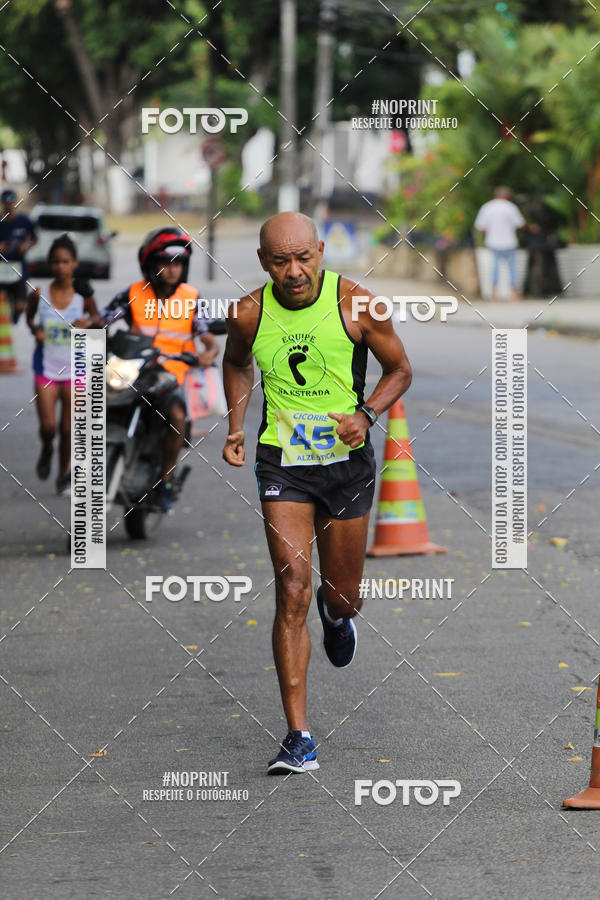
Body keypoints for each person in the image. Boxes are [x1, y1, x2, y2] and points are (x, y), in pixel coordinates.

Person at [222, 212, 412, 774]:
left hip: (346, 465)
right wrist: (237, 424)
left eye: (303, 257)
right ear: (263, 262)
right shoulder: (250, 313)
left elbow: (400, 370)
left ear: (321, 251)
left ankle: (338, 616)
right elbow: (235, 364)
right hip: (283, 464)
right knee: (292, 588)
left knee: (341, 595)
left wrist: (366, 413)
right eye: (280, 261)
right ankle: (297, 735)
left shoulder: (358, 303)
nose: (294, 271)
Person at [100, 227, 218, 512]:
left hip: (171, 377)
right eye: (165, 263)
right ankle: (75, 470)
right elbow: (103, 318)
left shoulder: (191, 297)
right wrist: (88, 325)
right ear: (150, 264)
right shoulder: (132, 294)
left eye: (177, 263)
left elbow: (207, 336)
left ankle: (165, 480)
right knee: (86, 401)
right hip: (133, 372)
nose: (171, 269)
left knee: (177, 415)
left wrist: (209, 353)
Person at [26, 234, 99, 495]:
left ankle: (63, 474)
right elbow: (30, 319)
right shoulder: (39, 293)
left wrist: (89, 323)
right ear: (50, 264)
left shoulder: (83, 294)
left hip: (76, 369)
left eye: (66, 261)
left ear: (75, 264)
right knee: (49, 427)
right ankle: (47, 448)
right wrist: (36, 330)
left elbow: (98, 320)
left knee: (69, 428)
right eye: (56, 262)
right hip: (46, 368)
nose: (60, 267)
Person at [474, 186, 526, 302]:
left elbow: (480, 227)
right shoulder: (511, 207)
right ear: (507, 196)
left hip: (493, 242)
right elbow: (520, 224)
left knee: (495, 268)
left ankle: (494, 294)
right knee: (512, 268)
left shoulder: (487, 207)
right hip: (509, 242)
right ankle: (514, 294)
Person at [0, 188, 37, 323]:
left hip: (19, 268)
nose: (10, 205)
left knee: (20, 306)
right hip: (2, 269)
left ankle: (15, 317)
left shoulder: (25, 220)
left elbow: (34, 239)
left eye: (12, 202)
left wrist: (26, 245)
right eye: (6, 202)